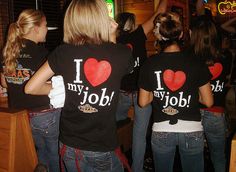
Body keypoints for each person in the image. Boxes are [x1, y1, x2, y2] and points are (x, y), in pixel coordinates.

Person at [24, 0, 134, 171]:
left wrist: (69, 90)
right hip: (102, 146)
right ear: (101, 19)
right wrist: (112, 36)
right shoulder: (121, 52)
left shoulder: (62, 52)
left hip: (70, 145)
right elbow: (124, 64)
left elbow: (31, 88)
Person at [138, 12, 213, 172]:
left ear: (159, 36)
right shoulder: (196, 61)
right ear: (180, 34)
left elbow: (143, 102)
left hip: (161, 130)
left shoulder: (150, 64)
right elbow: (208, 101)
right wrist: (190, 95)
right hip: (191, 129)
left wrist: (158, 94)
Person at [0, 9, 61, 172]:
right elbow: (45, 86)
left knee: (40, 154)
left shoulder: (8, 51)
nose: (47, 29)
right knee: (55, 155)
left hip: (22, 116)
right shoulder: (42, 53)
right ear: (35, 28)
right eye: (45, 25)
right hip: (45, 114)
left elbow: (5, 84)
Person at [114, 1, 167, 171]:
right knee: (139, 135)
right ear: (132, 23)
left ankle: (114, 163)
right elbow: (160, 12)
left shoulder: (112, 40)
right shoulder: (138, 34)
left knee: (112, 129)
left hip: (120, 93)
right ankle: (136, 169)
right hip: (141, 93)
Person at [190, 18, 233, 172]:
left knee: (195, 157)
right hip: (216, 113)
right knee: (219, 156)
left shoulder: (191, 59)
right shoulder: (225, 57)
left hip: (194, 113)